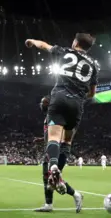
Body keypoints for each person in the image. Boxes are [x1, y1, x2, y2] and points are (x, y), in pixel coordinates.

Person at [25, 33, 98, 192]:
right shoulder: (93, 65)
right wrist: (79, 96)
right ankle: (59, 172)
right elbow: (92, 93)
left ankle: (52, 167)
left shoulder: (66, 52)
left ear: (75, 42)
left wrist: (31, 41)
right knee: (67, 142)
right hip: (77, 104)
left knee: (53, 137)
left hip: (59, 98)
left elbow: (44, 45)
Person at [33, 95, 83, 213]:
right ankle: (49, 204)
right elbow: (51, 134)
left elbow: (63, 136)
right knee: (48, 178)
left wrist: (59, 148)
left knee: (53, 178)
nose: (42, 104)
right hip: (50, 150)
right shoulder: (49, 117)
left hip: (58, 151)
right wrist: (42, 139)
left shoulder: (60, 117)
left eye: (44, 102)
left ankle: (76, 195)